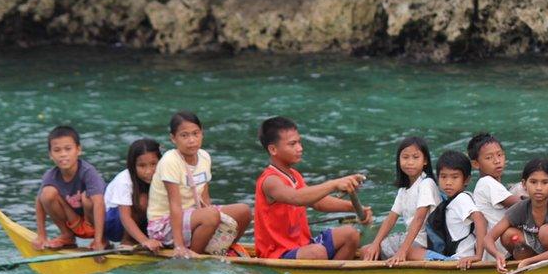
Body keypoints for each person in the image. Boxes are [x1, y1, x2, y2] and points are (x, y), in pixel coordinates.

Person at [253, 117, 371, 260]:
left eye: (299, 142)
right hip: (278, 254)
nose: (300, 148)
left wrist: (354, 208)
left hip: (303, 245)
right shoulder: (270, 181)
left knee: (351, 234)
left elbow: (317, 202)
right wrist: (334, 184)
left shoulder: (294, 175)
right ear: (273, 149)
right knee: (317, 252)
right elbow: (297, 198)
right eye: (292, 144)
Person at [145, 111, 252, 258]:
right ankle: (194, 256)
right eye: (184, 135)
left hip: (194, 216)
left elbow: (205, 198)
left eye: (196, 133)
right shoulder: (170, 160)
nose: (191, 140)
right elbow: (174, 205)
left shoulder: (204, 157)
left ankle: (222, 248)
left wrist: (212, 225)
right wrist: (179, 245)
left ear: (202, 133)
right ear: (173, 138)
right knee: (210, 215)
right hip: (165, 225)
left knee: (244, 211)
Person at [361, 136, 441, 265]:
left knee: (372, 253)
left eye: (415, 157)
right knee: (366, 250)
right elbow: (391, 218)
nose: (410, 162)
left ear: (425, 160)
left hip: (425, 242)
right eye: (405, 157)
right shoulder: (403, 190)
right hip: (410, 240)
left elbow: (419, 219)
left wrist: (402, 251)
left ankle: (442, 259)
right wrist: (375, 244)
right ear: (399, 160)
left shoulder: (427, 183)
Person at [484, 158, 548, 274]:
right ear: (524, 184)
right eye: (533, 182)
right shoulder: (521, 207)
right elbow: (488, 238)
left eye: (545, 182)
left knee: (547, 231)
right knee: (507, 234)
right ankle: (522, 264)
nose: (539, 188)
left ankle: (533, 264)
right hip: (533, 254)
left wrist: (530, 261)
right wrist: (497, 254)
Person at [33, 126, 107, 251]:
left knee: (87, 197)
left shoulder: (88, 172)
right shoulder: (50, 176)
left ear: (78, 150)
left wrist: (99, 241)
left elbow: (99, 203)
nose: (63, 154)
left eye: (68, 149)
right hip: (75, 222)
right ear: (50, 155)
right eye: (57, 150)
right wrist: (41, 236)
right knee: (47, 194)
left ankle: (103, 239)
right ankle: (67, 236)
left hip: (97, 223)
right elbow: (39, 202)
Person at [425, 150, 487, 269]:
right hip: (459, 258)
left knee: (411, 251)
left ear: (467, 180)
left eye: (455, 177)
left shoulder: (461, 199)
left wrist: (478, 256)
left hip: (460, 259)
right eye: (443, 177)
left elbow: (480, 220)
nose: (448, 182)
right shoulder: (453, 200)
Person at [467, 132, 522, 259]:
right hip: (502, 252)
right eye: (489, 158)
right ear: (476, 164)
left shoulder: (489, 184)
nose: (497, 161)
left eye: (499, 155)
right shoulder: (487, 183)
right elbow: (521, 204)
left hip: (497, 251)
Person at [104, 138, 163, 251]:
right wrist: (145, 241)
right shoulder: (124, 180)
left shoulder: (163, 175)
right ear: (133, 166)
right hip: (113, 223)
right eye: (142, 166)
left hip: (142, 221)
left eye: (153, 164)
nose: (148, 171)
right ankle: (128, 240)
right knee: (143, 200)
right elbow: (125, 217)